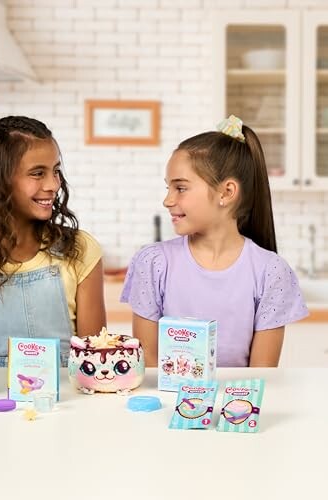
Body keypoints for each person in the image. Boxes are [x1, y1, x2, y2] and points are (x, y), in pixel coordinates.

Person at [121, 115, 308, 368]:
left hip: (238, 406)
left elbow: (260, 375)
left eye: (181, 188)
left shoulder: (271, 272)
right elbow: (149, 364)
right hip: (169, 405)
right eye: (168, 188)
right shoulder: (153, 263)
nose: (167, 200)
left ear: (226, 192)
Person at [0, 116, 106, 367]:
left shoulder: (79, 249)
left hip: (64, 404)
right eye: (37, 173)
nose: (53, 184)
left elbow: (95, 363)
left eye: (56, 171)